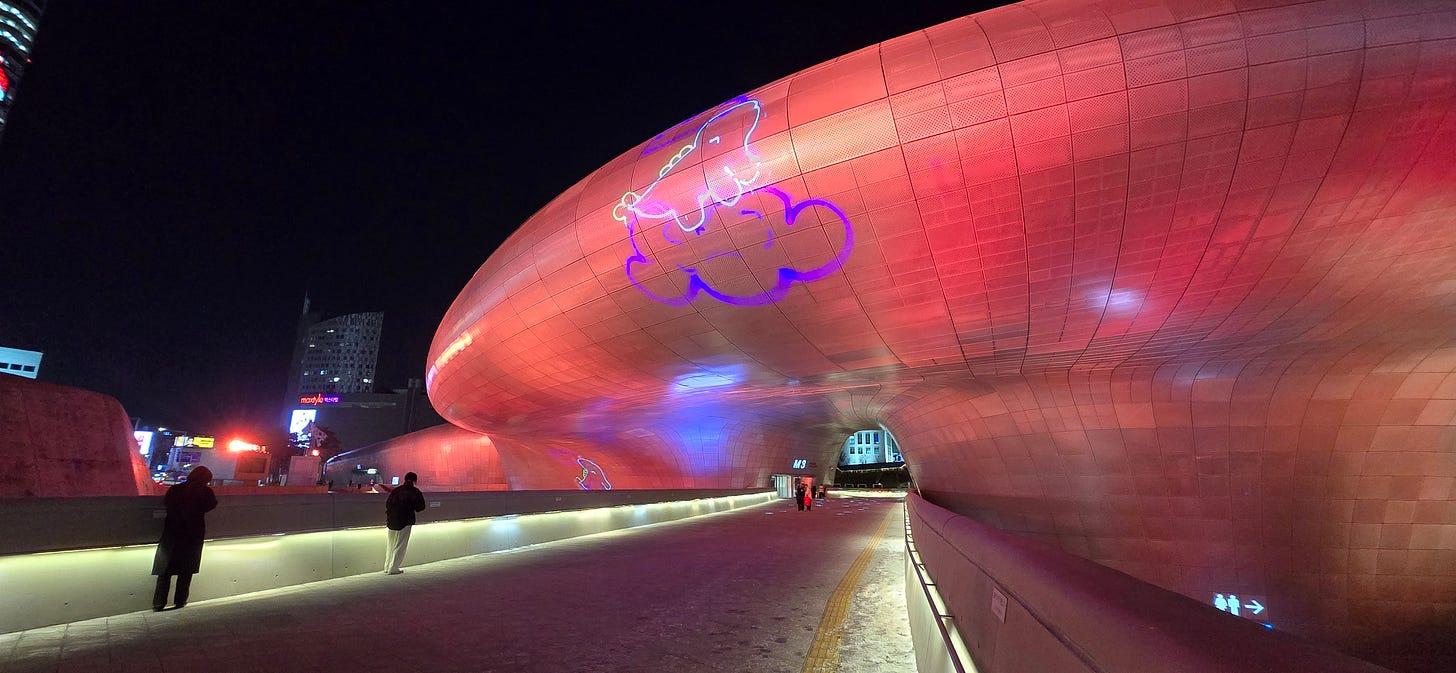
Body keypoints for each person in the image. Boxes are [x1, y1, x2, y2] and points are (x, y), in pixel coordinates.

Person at [152, 466, 218, 611]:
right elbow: (211, 505)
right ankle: (180, 600)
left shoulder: (175, 489)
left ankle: (158, 602)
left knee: (165, 569)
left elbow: (166, 503)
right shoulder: (206, 492)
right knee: (186, 570)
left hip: (172, 532)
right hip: (193, 533)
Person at [384, 472, 426, 575]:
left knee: (391, 544)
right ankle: (393, 568)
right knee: (400, 545)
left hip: (391, 520)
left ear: (405, 479)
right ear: (415, 481)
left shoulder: (396, 490)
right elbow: (420, 507)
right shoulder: (415, 491)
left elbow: (388, 504)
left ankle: (387, 566)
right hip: (405, 521)